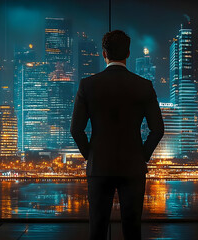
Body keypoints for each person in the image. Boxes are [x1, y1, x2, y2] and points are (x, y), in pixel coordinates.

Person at [70, 30, 164, 240]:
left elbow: (76, 130)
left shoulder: (88, 85)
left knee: (97, 230)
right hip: (132, 166)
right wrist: (142, 155)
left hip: (99, 166)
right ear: (128, 53)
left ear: (104, 53)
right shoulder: (144, 86)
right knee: (132, 230)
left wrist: (91, 155)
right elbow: (158, 129)